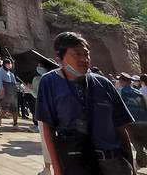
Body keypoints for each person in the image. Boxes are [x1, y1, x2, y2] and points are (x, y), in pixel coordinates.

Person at [36, 32, 135, 175]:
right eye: (77, 54)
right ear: (60, 57)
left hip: (113, 162)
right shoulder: (49, 82)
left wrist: (130, 165)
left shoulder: (103, 83)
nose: (84, 59)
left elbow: (121, 128)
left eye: (86, 54)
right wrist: (57, 169)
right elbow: (48, 127)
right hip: (77, 163)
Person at [118, 73, 147, 168]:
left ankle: (142, 163)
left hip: (131, 124)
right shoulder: (139, 92)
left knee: (138, 146)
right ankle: (142, 163)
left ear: (122, 81)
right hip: (144, 122)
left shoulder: (120, 92)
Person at [0, 58, 18, 128]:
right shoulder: (1, 71)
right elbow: (0, 82)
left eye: (10, 64)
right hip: (5, 91)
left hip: (13, 92)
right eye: (8, 64)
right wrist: (1, 92)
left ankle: (15, 124)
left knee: (15, 109)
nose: (10, 65)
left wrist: (17, 87)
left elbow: (15, 83)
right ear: (5, 64)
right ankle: (0, 117)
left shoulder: (11, 73)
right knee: (4, 108)